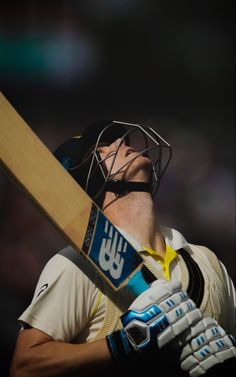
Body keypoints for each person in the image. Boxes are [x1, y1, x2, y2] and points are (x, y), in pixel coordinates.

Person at [10, 120, 236, 377]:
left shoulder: (206, 259)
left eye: (118, 142)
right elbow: (24, 366)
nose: (122, 143)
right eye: (103, 149)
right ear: (87, 179)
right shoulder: (76, 264)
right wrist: (124, 343)